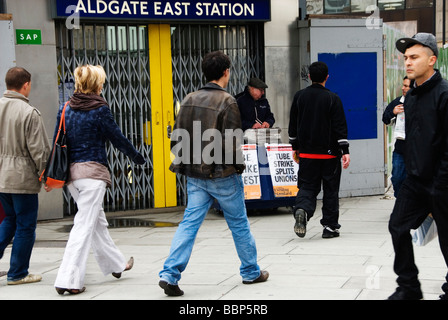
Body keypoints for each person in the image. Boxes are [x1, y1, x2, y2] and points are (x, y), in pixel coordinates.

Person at [159, 51, 268, 296]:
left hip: (196, 175)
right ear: (226, 72)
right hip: (223, 175)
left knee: (189, 223)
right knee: (238, 223)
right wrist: (238, 169)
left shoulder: (188, 99)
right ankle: (251, 272)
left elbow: (176, 141)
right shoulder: (228, 101)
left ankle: (169, 274)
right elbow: (232, 143)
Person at [51, 64, 146, 295]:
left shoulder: (65, 108)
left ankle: (116, 264)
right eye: (101, 81)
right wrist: (137, 157)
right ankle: (68, 279)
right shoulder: (99, 109)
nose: (103, 85)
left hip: (72, 177)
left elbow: (56, 140)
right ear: (96, 84)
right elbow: (117, 137)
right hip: (93, 175)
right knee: (83, 226)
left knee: (97, 222)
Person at [388, 33, 448, 300]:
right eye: (405, 58)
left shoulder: (445, 94)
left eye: (414, 57)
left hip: (443, 182)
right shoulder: (410, 98)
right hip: (415, 180)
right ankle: (409, 286)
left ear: (432, 60)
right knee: (397, 226)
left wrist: (440, 182)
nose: (408, 63)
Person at [288, 61, 350, 239]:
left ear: (309, 77)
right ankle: (330, 227)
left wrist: (295, 147)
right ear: (327, 77)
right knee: (330, 190)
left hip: (307, 154)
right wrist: (345, 150)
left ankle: (302, 210)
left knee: (307, 187)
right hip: (329, 155)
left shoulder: (299, 97)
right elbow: (340, 127)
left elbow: (293, 126)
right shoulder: (333, 98)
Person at [0, 67, 51, 285]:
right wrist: (46, 174)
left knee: (9, 219)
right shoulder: (29, 112)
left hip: (1, 177)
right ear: (26, 85)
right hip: (21, 179)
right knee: (25, 225)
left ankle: (16, 271)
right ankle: (18, 273)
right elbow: (38, 150)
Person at [382, 76, 412, 197]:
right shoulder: (397, 102)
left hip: (417, 148)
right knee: (397, 178)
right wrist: (393, 112)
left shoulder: (421, 102)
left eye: (406, 86)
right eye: (403, 85)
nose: (403, 88)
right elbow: (385, 119)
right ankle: (401, 202)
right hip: (400, 147)